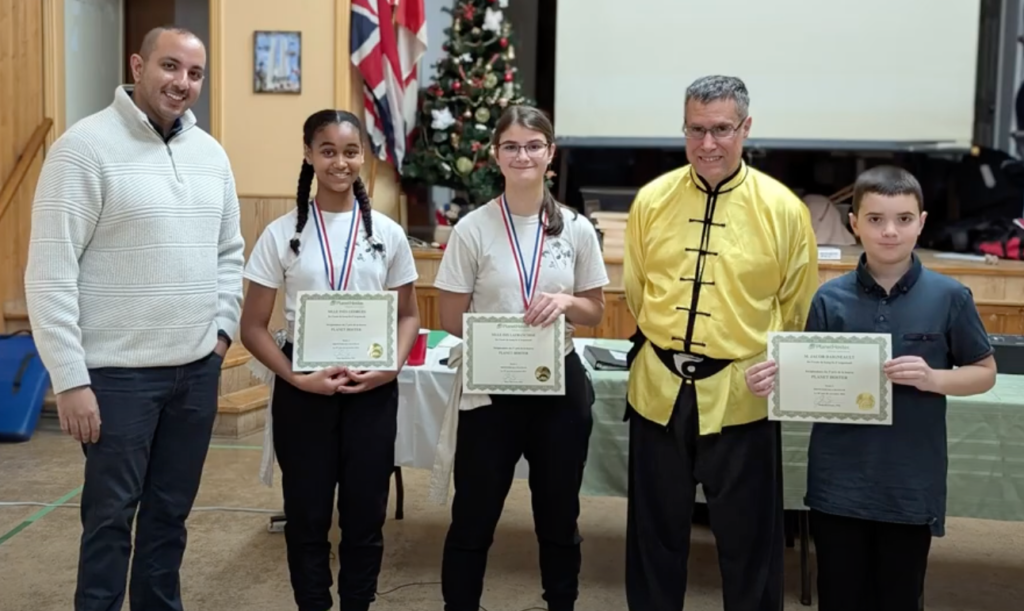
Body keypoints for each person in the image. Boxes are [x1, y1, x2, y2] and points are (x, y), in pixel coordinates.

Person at [23, 26, 244, 611]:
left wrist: (220, 336)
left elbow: (230, 255)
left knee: (170, 519)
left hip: (195, 372)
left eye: (195, 74)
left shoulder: (211, 154)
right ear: (138, 65)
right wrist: (69, 379)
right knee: (109, 522)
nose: (182, 83)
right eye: (170, 67)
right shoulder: (82, 148)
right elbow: (49, 272)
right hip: (116, 378)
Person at [745, 165, 997, 611]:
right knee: (839, 594)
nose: (889, 232)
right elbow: (810, 376)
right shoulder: (829, 298)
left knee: (899, 596)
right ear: (854, 223)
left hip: (909, 484)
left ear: (921, 223)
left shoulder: (950, 296)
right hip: (838, 484)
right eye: (876, 219)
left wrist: (934, 378)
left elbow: (985, 371)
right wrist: (775, 380)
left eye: (903, 219)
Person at [622, 74, 819, 611]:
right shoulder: (651, 200)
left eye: (721, 130)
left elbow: (796, 307)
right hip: (658, 390)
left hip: (742, 395)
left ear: (746, 128)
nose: (707, 144)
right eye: (695, 130)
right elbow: (637, 294)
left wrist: (765, 359)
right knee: (652, 537)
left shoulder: (783, 211)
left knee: (749, 541)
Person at [429, 105, 609, 611]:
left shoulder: (575, 228)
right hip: (491, 386)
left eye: (534, 145)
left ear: (550, 154)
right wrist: (502, 335)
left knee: (558, 517)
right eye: (511, 145)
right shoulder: (472, 228)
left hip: (559, 388)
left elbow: (595, 311)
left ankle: (561, 603)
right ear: (496, 155)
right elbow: (448, 316)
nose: (522, 154)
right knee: (473, 515)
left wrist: (567, 302)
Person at [239, 109, 420, 611]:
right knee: (307, 516)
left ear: (363, 156)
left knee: (365, 517)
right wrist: (296, 378)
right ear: (309, 155)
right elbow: (251, 327)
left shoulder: (387, 233)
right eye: (328, 150)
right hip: (305, 390)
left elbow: (408, 316)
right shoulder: (280, 235)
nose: (340, 162)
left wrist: (392, 367)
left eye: (350, 151)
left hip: (371, 387)